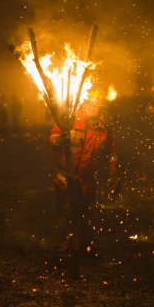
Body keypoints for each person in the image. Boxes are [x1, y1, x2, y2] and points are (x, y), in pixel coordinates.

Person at [49, 89, 121, 267]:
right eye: (91, 105)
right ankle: (60, 251)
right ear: (84, 103)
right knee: (65, 213)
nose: (94, 110)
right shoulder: (70, 119)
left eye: (98, 107)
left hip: (87, 178)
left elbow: (112, 153)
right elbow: (52, 136)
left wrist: (113, 173)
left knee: (87, 213)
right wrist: (58, 140)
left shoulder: (104, 128)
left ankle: (86, 248)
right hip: (66, 175)